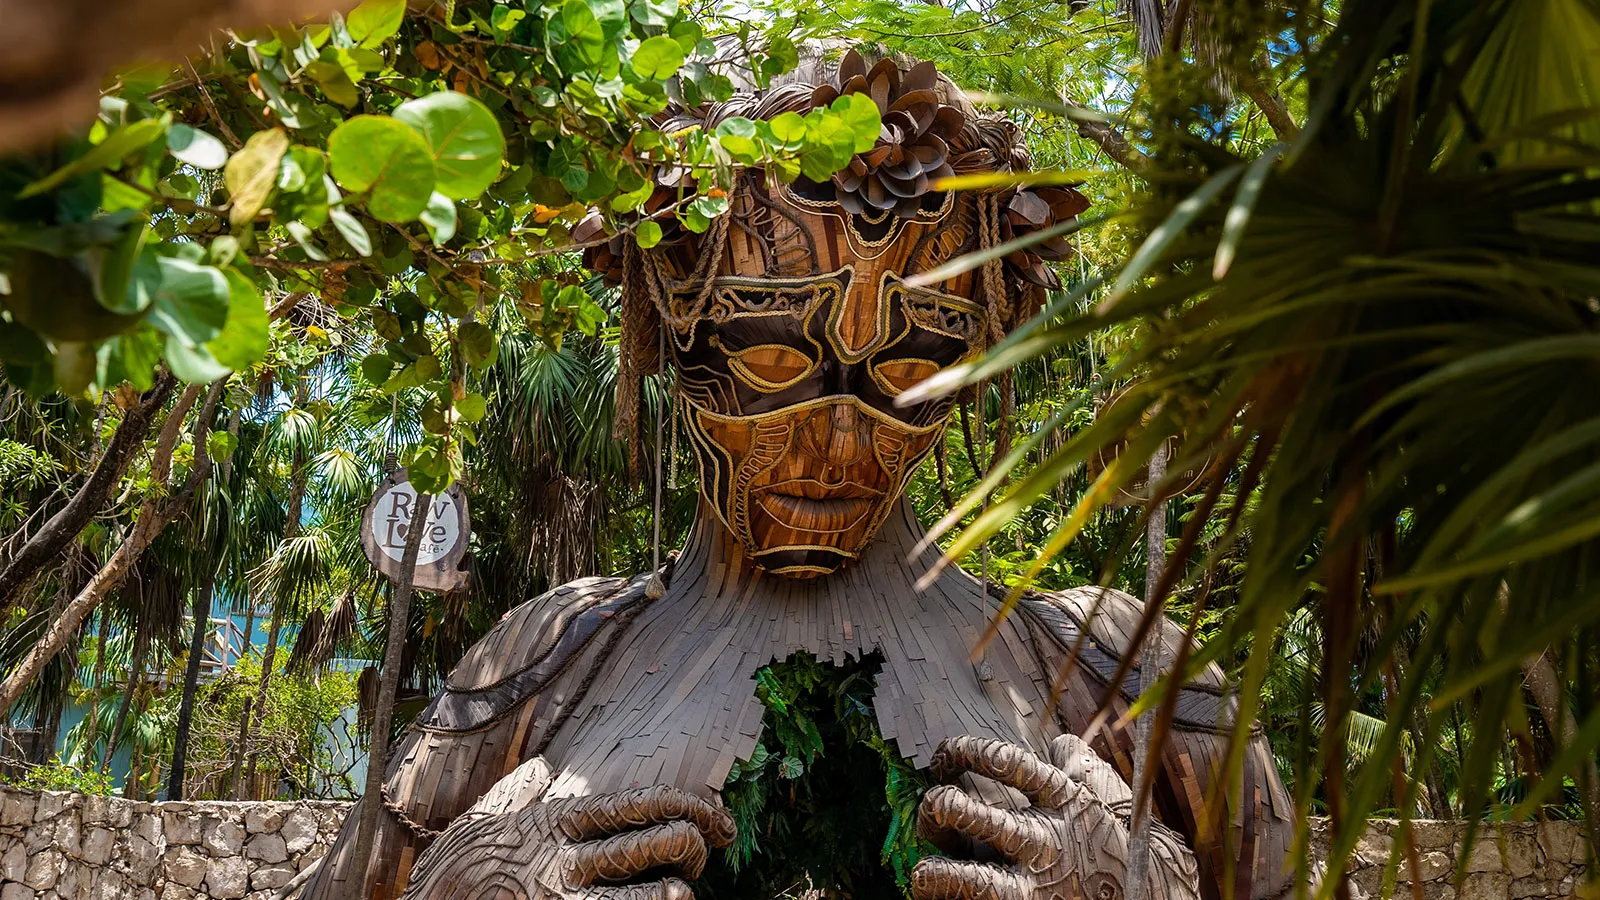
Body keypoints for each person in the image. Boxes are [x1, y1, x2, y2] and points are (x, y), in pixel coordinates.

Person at [303, 49, 1294, 900]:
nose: (838, 445)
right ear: (667, 326)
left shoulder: (1121, 669)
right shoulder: (547, 659)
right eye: (771, 361)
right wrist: (469, 877)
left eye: (908, 374)